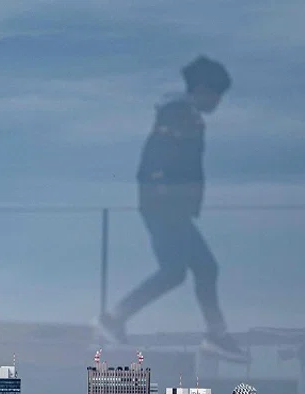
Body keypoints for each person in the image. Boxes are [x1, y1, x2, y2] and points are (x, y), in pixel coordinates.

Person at [97, 55, 248, 362]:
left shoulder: (181, 114)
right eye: (217, 94)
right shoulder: (179, 115)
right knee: (174, 272)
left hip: (169, 207)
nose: (218, 102)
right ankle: (114, 319)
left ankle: (216, 335)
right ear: (204, 89)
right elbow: (158, 162)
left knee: (203, 268)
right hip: (165, 208)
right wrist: (167, 196)